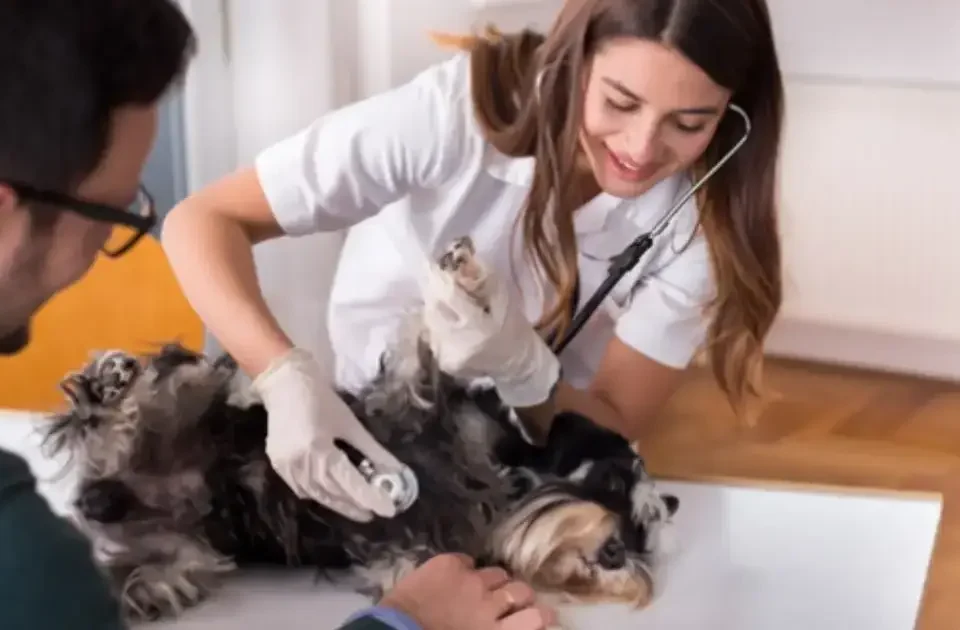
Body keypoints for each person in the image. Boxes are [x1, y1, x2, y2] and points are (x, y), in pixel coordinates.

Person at [0, 2, 553, 630]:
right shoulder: (28, 569)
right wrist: (402, 624)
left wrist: (531, 371)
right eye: (116, 217)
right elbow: (206, 220)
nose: (106, 251)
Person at [162, 0, 785, 524]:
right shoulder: (450, 114)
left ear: (732, 114)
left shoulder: (702, 224)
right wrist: (282, 374)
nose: (641, 148)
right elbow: (203, 222)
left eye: (689, 122)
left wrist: (526, 372)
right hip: (379, 417)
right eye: (620, 102)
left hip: (542, 454)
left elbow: (615, 425)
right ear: (574, 61)